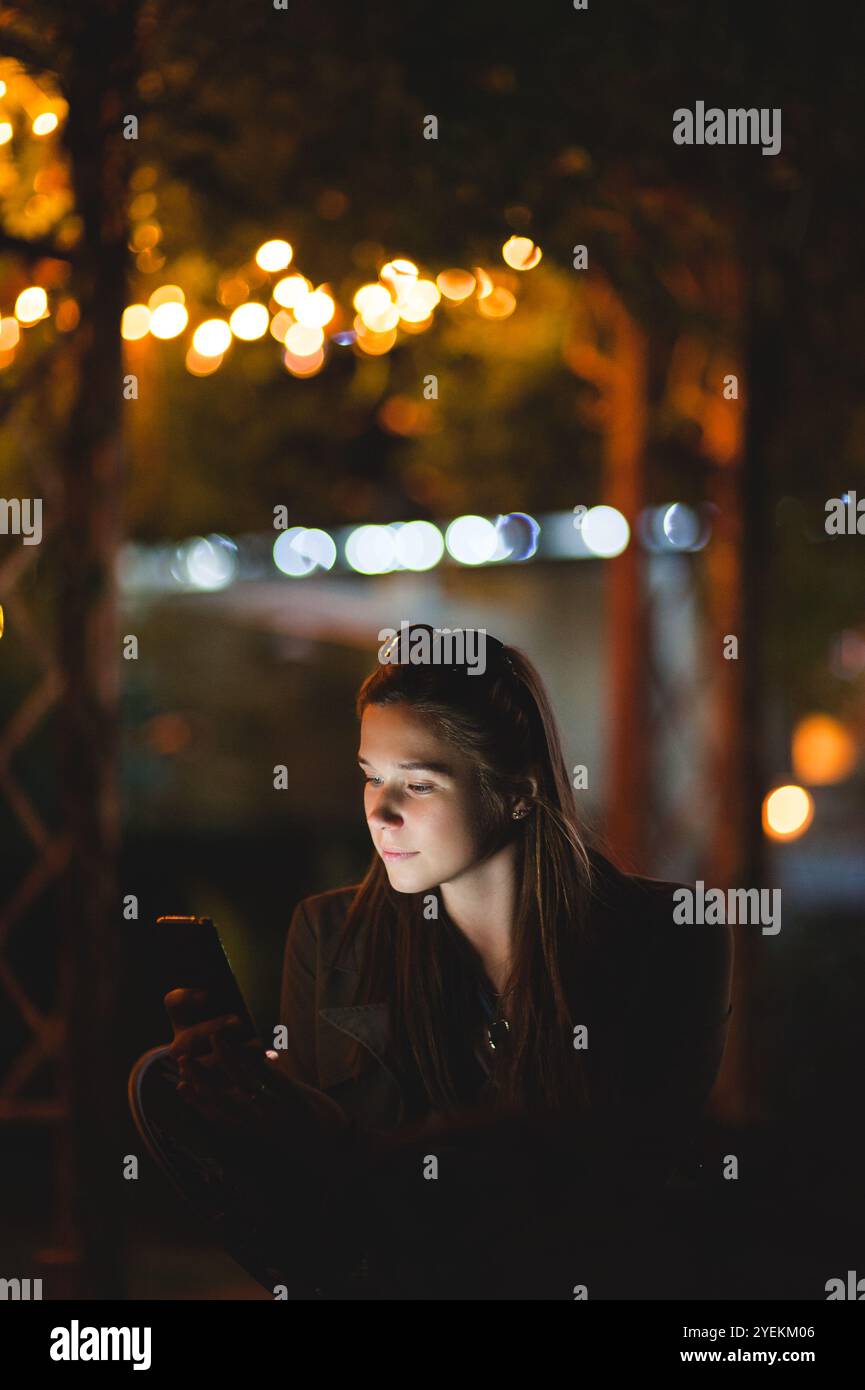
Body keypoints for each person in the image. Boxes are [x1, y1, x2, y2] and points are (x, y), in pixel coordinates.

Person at [132, 625, 733, 1299]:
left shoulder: (665, 935)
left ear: (517, 792)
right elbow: (309, 1227)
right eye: (370, 777)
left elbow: (620, 1177)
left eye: (417, 784)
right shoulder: (331, 937)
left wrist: (350, 1147)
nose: (378, 812)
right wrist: (246, 1115)